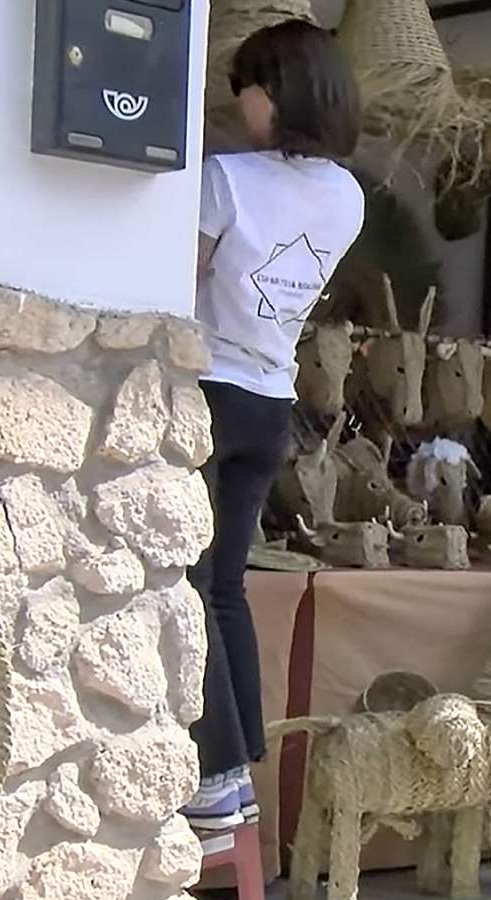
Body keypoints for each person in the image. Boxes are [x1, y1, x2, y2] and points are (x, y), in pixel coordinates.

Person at [183, 20, 364, 831]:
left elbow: (178, 281)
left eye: (246, 88)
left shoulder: (224, 179)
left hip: (209, 389)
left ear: (276, 93)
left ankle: (215, 774)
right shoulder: (348, 197)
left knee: (190, 582)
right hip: (269, 399)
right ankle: (239, 768)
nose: (239, 104)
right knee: (227, 585)